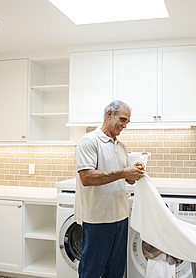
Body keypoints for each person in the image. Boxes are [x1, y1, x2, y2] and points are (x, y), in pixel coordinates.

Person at [74, 100, 145, 278]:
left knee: (115, 271)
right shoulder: (89, 140)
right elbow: (87, 177)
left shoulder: (121, 146)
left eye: (127, 122)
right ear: (109, 115)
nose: (125, 125)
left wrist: (133, 173)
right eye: (122, 119)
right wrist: (124, 172)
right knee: (92, 270)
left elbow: (125, 179)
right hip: (97, 219)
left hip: (120, 217)